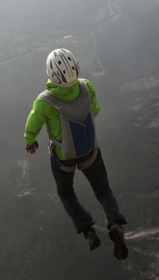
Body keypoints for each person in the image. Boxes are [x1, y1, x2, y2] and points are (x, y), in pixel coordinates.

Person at [24, 48, 128, 260]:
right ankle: (115, 223)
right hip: (90, 151)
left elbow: (32, 125)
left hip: (63, 158)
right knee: (102, 190)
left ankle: (88, 230)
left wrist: (30, 142)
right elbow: (95, 110)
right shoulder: (86, 86)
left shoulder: (44, 101)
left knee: (66, 193)